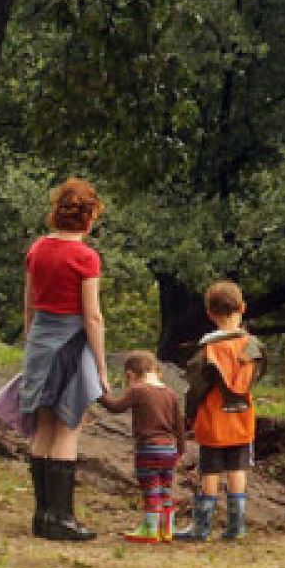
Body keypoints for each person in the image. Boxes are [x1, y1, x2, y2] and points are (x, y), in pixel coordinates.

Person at [20, 177, 112, 541]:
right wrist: (101, 369)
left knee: (43, 427)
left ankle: (42, 516)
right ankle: (62, 518)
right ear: (89, 217)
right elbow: (92, 316)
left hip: (40, 342)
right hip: (71, 343)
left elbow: (28, 303)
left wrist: (33, 343)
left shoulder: (38, 248)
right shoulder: (85, 256)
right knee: (67, 426)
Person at [176, 280, 265, 542]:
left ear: (209, 313)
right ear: (243, 308)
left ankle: (201, 528)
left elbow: (195, 389)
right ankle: (236, 527)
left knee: (210, 473)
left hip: (212, 420)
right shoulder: (253, 347)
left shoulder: (207, 351)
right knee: (238, 471)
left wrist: (189, 416)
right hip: (241, 418)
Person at [97, 350, 184, 543]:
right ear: (156, 371)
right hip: (169, 450)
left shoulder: (138, 390)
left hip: (149, 449)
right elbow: (179, 425)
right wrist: (180, 450)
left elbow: (115, 407)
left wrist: (96, 392)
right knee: (165, 489)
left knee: (151, 488)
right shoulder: (170, 393)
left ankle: (150, 530)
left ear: (131, 375)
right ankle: (166, 529)